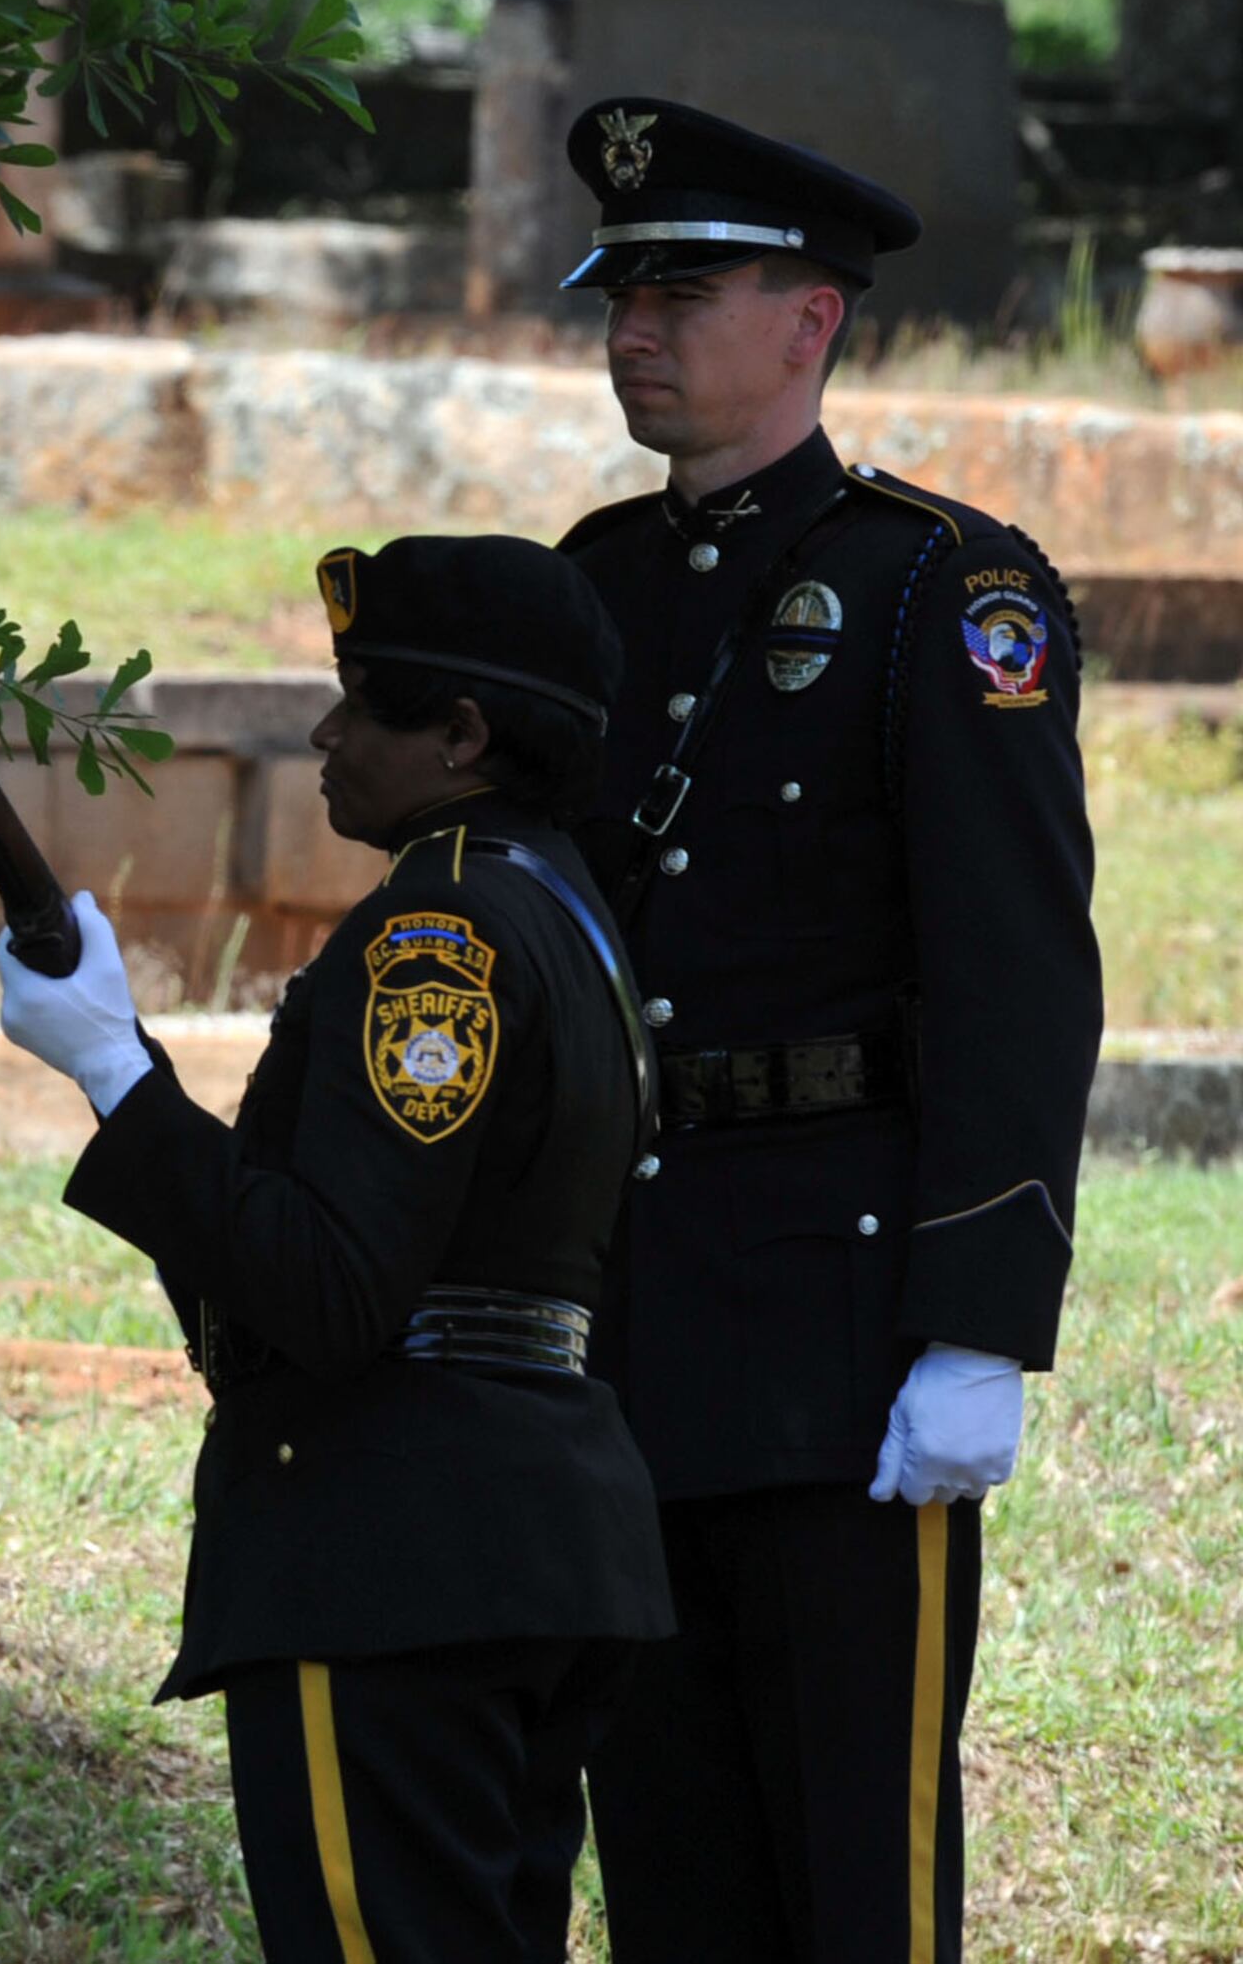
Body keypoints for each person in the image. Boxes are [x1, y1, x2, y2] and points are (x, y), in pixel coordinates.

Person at [547, 98, 1100, 1962]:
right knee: (672, 1863)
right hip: (630, 1312)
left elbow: (1019, 974)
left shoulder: (945, 589)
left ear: (813, 321)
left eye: (682, 286)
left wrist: (980, 1327)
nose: (634, 324)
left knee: (859, 1873)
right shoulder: (596, 588)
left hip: (848, 1331)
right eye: (618, 286)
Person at [0, 535, 675, 1960]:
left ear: (464, 735)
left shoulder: (434, 930)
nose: (325, 731)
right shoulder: (562, 910)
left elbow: (329, 1289)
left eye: (364, 702)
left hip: (391, 1550)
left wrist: (116, 1073)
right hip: (526, 1535)